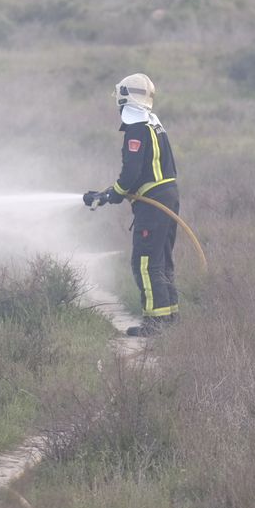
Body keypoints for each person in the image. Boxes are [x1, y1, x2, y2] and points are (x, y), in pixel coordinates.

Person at [84, 73, 180, 337]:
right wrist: (110, 193)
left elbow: (132, 172)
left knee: (146, 261)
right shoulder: (153, 123)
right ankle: (170, 317)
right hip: (167, 196)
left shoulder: (136, 128)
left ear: (126, 99)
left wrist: (116, 192)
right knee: (162, 260)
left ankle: (156, 323)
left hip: (154, 203)